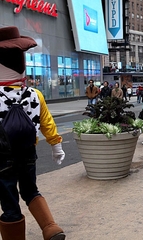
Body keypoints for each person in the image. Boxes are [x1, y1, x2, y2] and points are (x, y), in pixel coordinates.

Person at [0, 26, 66, 240]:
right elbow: (47, 122)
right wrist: (56, 146)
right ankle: (50, 227)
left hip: (2, 157)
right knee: (31, 191)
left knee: (9, 200)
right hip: (28, 153)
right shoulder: (35, 94)